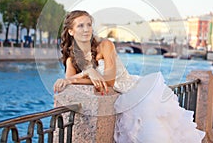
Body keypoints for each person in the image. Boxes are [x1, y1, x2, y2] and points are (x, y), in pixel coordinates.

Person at [54, 10, 205, 142]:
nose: (86, 29)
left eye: (89, 24)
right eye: (80, 25)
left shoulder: (105, 45)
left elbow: (110, 81)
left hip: (134, 95)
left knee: (153, 136)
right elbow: (72, 84)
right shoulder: (71, 59)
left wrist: (87, 72)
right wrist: (77, 76)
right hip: (116, 105)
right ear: (71, 31)